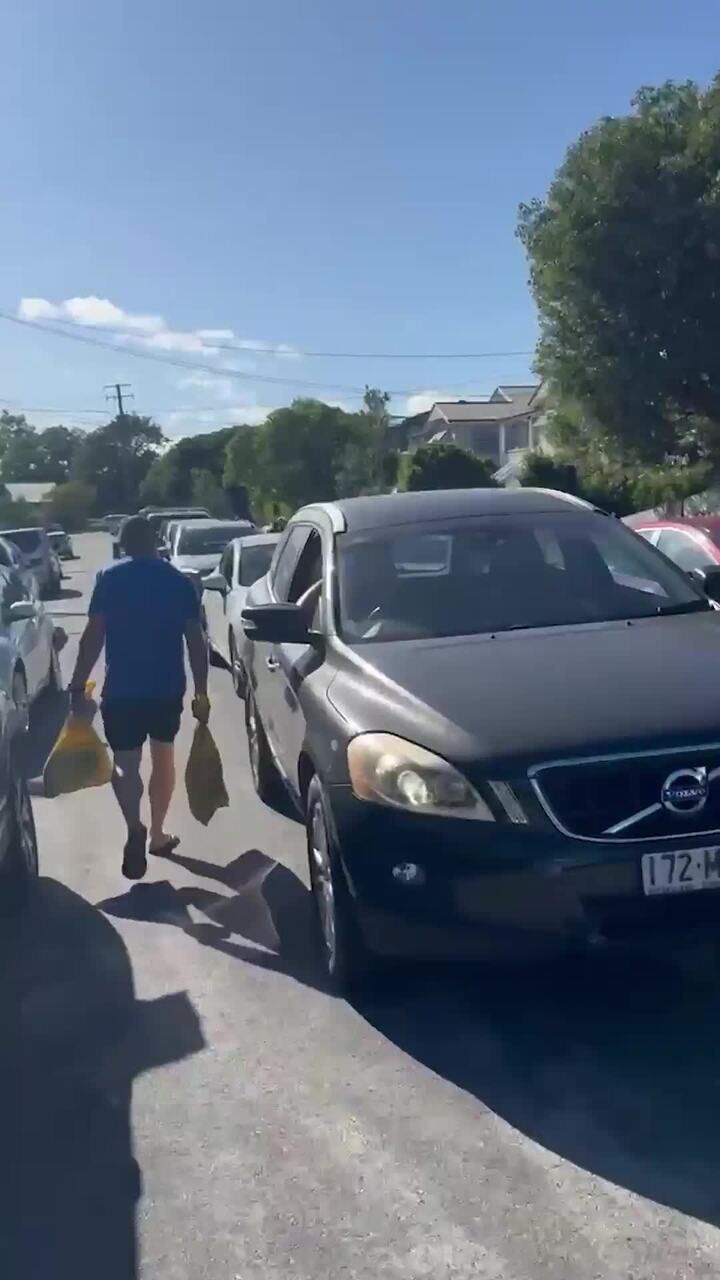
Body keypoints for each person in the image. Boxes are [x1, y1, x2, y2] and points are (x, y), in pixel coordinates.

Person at [69, 515, 210, 880]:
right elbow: (196, 640)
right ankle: (159, 833)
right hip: (166, 688)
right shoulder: (177, 581)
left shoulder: (109, 579)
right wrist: (202, 690)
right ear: (155, 542)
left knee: (125, 764)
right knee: (163, 758)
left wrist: (77, 684)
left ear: (125, 544)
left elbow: (93, 636)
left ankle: (135, 825)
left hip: (122, 690)